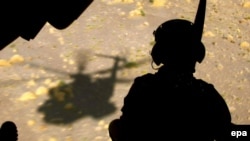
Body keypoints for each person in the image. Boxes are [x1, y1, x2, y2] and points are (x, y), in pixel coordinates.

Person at [108, 0, 232, 140]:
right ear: (197, 55)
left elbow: (124, 130)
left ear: (158, 54)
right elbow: (230, 132)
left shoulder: (143, 86)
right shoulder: (207, 94)